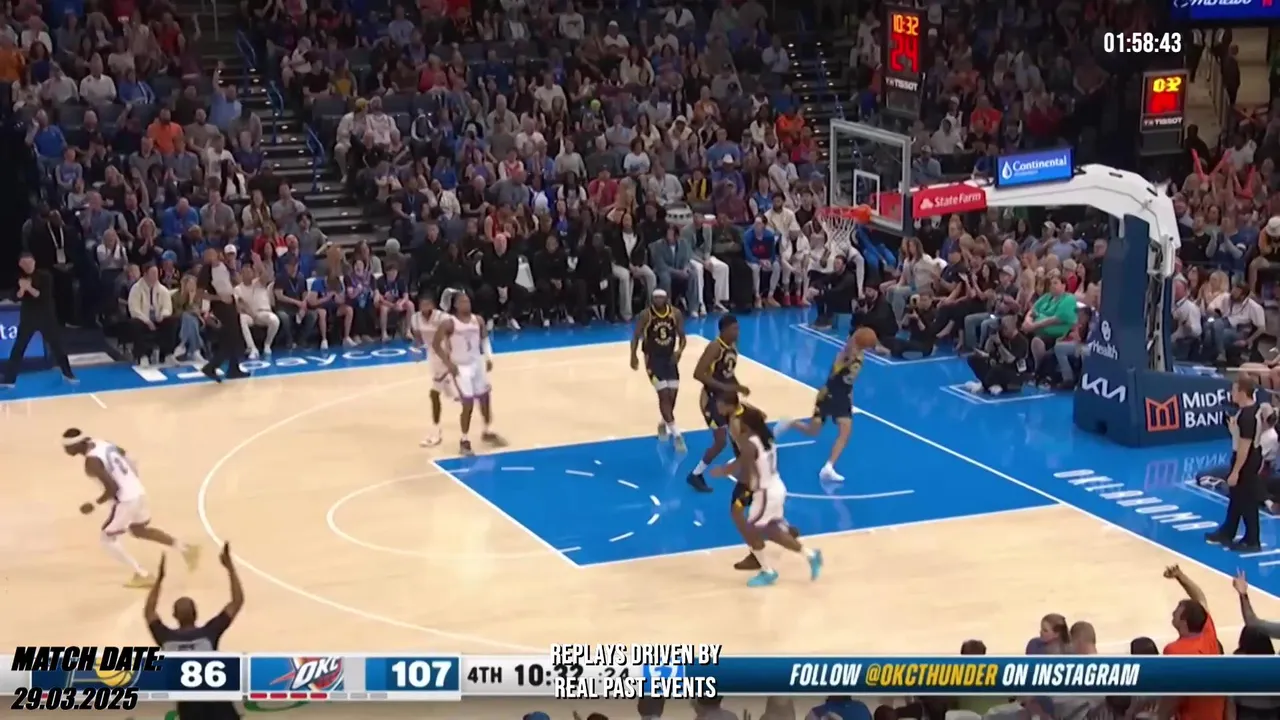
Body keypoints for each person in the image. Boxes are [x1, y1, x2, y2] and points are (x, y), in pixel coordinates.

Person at [62, 428, 199, 588]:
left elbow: (112, 488)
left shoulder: (91, 462)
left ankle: (143, 575)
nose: (65, 450)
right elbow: (130, 457)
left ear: (77, 445)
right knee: (139, 530)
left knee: (107, 539)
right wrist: (132, 480)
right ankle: (186, 549)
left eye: (67, 447)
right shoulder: (101, 443)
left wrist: (93, 504)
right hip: (138, 492)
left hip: (125, 501)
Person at [709, 393, 823, 587]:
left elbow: (740, 464)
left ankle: (768, 571)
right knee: (770, 531)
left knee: (752, 530)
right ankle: (809, 554)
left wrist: (722, 471)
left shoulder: (748, 444)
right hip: (776, 486)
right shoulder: (766, 438)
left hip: (766, 492)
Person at [145, 543, 243, 720]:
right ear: (196, 614)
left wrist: (159, 579)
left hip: (190, 707)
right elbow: (237, 601)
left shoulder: (166, 638)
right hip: (218, 703)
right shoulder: (209, 633)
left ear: (174, 615)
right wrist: (230, 568)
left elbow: (149, 612)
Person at [777, 327, 873, 482]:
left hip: (839, 395)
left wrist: (851, 398)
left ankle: (791, 424)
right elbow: (846, 353)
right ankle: (827, 467)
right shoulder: (847, 353)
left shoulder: (860, 356)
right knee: (838, 432)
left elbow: (850, 381)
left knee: (816, 431)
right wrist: (855, 339)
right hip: (831, 394)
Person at [432, 292, 504, 456]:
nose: (467, 304)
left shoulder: (478, 320)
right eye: (463, 302)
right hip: (460, 367)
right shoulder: (450, 323)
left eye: (468, 301)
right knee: (468, 403)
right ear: (456, 305)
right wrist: (448, 363)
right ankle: (464, 441)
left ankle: (487, 431)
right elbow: (436, 344)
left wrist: (489, 357)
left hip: (477, 364)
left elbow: (484, 339)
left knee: (485, 398)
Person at [688, 314, 746, 493]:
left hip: (728, 399)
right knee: (720, 442)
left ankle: (745, 476)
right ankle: (695, 475)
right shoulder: (715, 347)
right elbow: (698, 373)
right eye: (734, 329)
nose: (738, 332)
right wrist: (723, 387)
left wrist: (737, 386)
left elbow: (728, 372)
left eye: (738, 328)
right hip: (712, 400)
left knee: (738, 435)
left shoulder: (733, 347)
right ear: (724, 330)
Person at [1206, 375, 1264, 552]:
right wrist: (1233, 428)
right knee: (1237, 497)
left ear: (1242, 392)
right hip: (1252, 456)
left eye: (1234, 390)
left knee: (1247, 499)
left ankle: (1253, 540)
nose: (1231, 393)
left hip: (1246, 460)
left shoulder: (1246, 416)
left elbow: (1244, 447)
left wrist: (1236, 471)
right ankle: (1228, 532)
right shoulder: (1252, 409)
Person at [0, 252, 76, 388]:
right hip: (28, 318)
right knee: (18, 348)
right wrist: (21, 290)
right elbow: (15, 297)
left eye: (30, 262)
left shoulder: (45, 275)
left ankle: (68, 373)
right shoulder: (19, 278)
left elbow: (42, 295)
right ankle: (9, 380)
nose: (28, 265)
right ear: (20, 264)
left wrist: (28, 287)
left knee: (57, 346)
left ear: (34, 262)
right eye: (25, 263)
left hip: (46, 317)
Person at [630, 288, 687, 451]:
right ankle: (677, 435)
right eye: (656, 298)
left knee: (672, 397)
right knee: (663, 395)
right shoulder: (646, 315)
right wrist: (633, 356)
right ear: (652, 299)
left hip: (669, 359)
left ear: (666, 299)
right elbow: (636, 336)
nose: (658, 301)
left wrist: (679, 351)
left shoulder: (675, 314)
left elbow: (683, 337)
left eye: (661, 298)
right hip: (652, 360)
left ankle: (663, 423)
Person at [198, 246, 248, 382]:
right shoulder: (206, 271)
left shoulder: (225, 266)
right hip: (220, 306)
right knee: (228, 338)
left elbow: (237, 281)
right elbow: (200, 293)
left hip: (231, 303)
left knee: (235, 337)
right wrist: (219, 298)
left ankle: (233, 368)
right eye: (207, 255)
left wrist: (233, 269)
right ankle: (211, 367)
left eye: (212, 254)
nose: (210, 257)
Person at [411, 295, 452, 448]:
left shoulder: (442, 317)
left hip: (446, 354)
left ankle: (436, 431)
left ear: (433, 305)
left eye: (427, 304)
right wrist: (416, 350)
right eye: (422, 304)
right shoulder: (415, 318)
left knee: (434, 394)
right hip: (432, 356)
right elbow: (418, 338)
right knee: (450, 394)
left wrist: (450, 358)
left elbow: (452, 335)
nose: (425, 306)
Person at [963, 315, 1030, 395]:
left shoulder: (1022, 341)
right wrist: (990, 341)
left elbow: (1010, 359)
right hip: (1000, 366)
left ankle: (985, 385)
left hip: (1014, 372)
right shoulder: (1002, 336)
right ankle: (991, 384)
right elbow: (990, 352)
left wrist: (999, 344)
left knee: (997, 369)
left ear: (1011, 328)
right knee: (973, 359)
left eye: (1004, 328)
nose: (1002, 330)